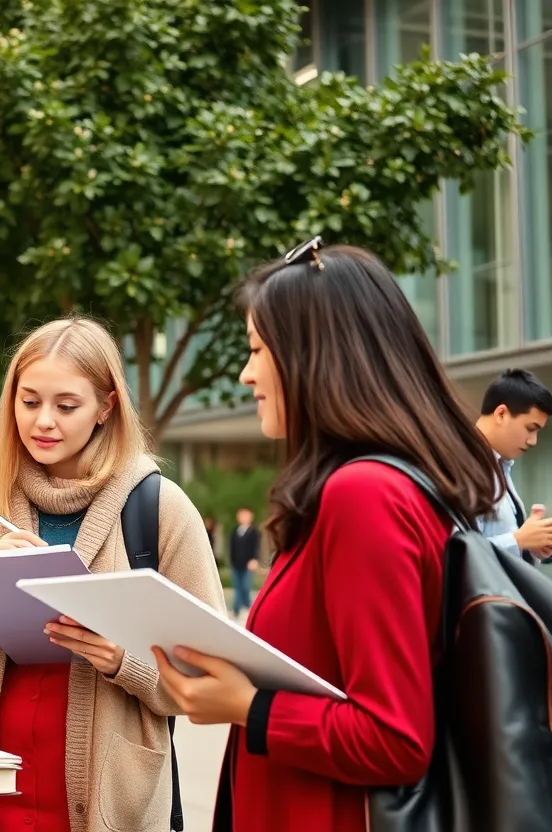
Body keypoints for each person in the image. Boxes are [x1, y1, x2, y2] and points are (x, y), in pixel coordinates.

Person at [152, 239, 499, 832]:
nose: (247, 373)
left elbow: (394, 738)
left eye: (259, 349)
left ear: (316, 355)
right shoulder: (363, 490)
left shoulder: (364, 496)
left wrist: (246, 707)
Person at [0, 317, 226, 832]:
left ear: (106, 408)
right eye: (29, 401)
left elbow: (210, 675)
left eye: (66, 406)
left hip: (108, 807)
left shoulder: (159, 510)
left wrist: (123, 660)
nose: (43, 422)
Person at [474, 369, 552, 562]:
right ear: (501, 414)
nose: (533, 441)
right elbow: (455, 553)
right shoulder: (462, 465)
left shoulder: (500, 466)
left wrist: (533, 543)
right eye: (530, 429)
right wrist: (518, 540)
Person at [227, 507, 260, 617]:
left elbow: (256, 547)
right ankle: (236, 610)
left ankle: (248, 607)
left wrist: (254, 560)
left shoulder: (254, 532)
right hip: (236, 564)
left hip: (248, 564)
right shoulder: (235, 531)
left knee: (246, 586)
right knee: (237, 587)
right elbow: (231, 548)